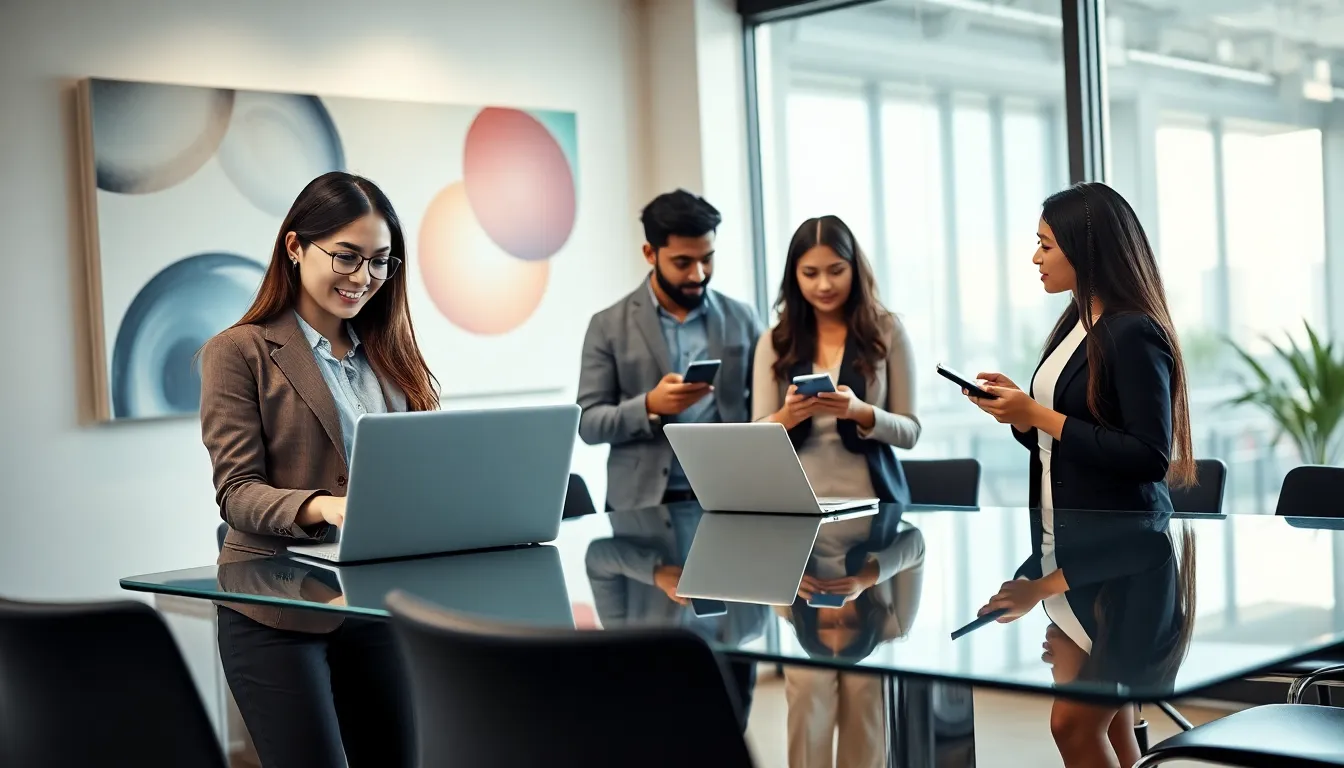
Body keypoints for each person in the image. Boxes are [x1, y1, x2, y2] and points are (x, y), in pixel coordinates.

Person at [198, 171, 438, 768]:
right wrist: (322, 506)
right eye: (347, 257)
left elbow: (419, 471)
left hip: (376, 604)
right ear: (296, 247)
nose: (364, 278)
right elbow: (237, 493)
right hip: (276, 610)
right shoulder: (239, 352)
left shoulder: (390, 353)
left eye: (381, 262)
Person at [967, 181, 1197, 767]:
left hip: (1125, 560)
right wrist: (1019, 413)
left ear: (1085, 251)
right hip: (1074, 545)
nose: (1035, 257)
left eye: (1046, 244)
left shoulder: (1132, 330)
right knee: (1104, 720)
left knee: (1074, 724)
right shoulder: (1077, 325)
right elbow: (1066, 438)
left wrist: (1038, 413)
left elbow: (1147, 455)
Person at [577, 189, 762, 511]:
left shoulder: (742, 318)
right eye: (682, 262)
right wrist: (649, 405)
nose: (698, 274)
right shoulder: (607, 325)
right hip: (640, 506)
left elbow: (764, 404)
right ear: (650, 253)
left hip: (733, 496)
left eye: (707, 258)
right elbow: (588, 424)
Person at [752, 215, 920, 504]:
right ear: (794, 275)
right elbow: (755, 438)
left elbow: (910, 432)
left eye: (836, 270)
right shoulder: (774, 340)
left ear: (854, 269)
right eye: (810, 273)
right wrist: (786, 417)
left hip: (875, 502)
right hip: (795, 503)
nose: (824, 285)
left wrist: (861, 412)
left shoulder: (887, 330)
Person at [781, 513, 926, 768]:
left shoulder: (789, 607)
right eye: (849, 623)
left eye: (827, 623)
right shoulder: (892, 625)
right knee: (809, 683)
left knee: (865, 686)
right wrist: (868, 577)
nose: (838, 616)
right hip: (866, 516)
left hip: (812, 515)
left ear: (812, 626)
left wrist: (785, 573)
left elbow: (762, 547)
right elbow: (916, 545)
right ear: (864, 626)